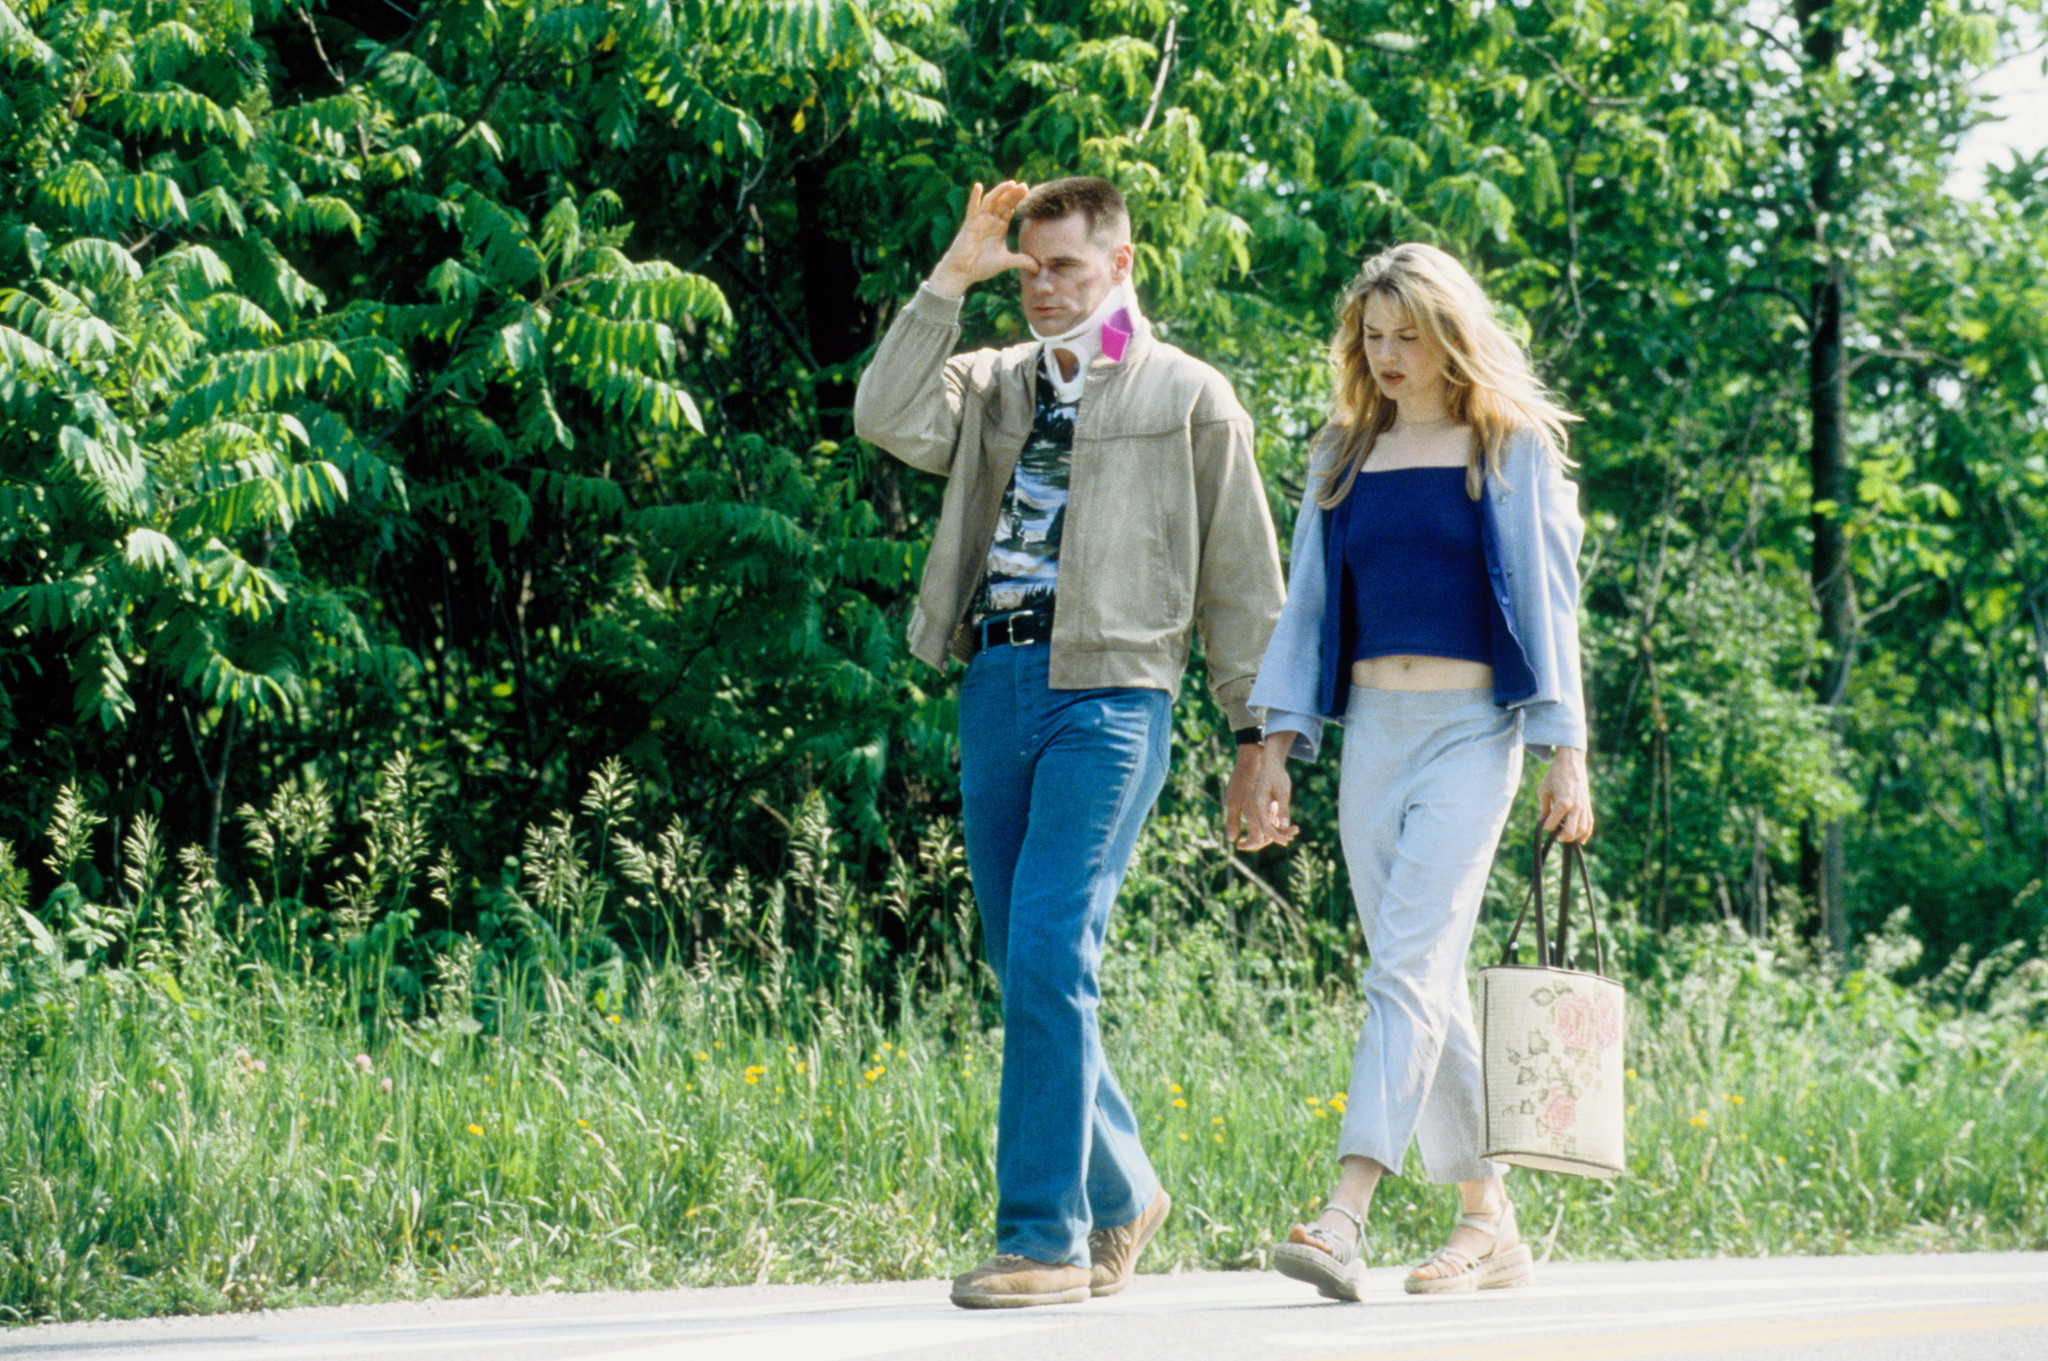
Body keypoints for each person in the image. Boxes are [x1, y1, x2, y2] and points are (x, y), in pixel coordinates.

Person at [852, 177, 1285, 1309]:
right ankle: (1125, 1188)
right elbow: (885, 414)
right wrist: (951, 277)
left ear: (1120, 265)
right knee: (1024, 959)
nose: (1042, 288)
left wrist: (1259, 739)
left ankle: (1044, 1236)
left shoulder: (1189, 394)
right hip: (995, 677)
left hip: (1112, 693)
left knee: (1051, 947)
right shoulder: (995, 381)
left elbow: (1244, 580)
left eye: (1065, 268)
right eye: (1029, 269)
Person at [1238, 242, 1594, 1300]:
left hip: (1471, 733)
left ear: (1449, 337)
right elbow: (1306, 606)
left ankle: (1343, 1214)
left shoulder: (1505, 445)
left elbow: (1549, 603)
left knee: (1401, 969)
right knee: (1421, 975)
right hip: (1373, 736)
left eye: (1408, 336)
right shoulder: (1342, 452)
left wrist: (1564, 752)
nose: (1388, 355)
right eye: (1373, 336)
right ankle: (1489, 1218)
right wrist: (1274, 745)